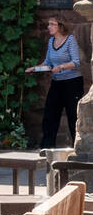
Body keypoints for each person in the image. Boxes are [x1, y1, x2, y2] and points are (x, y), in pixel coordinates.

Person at [33, 18, 84, 147]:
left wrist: (61, 67)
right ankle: (47, 148)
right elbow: (47, 62)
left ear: (60, 26)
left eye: (52, 24)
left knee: (73, 116)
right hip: (57, 83)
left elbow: (76, 62)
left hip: (72, 83)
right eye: (48, 24)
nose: (48, 26)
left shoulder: (70, 40)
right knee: (50, 115)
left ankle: (79, 148)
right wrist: (36, 68)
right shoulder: (51, 41)